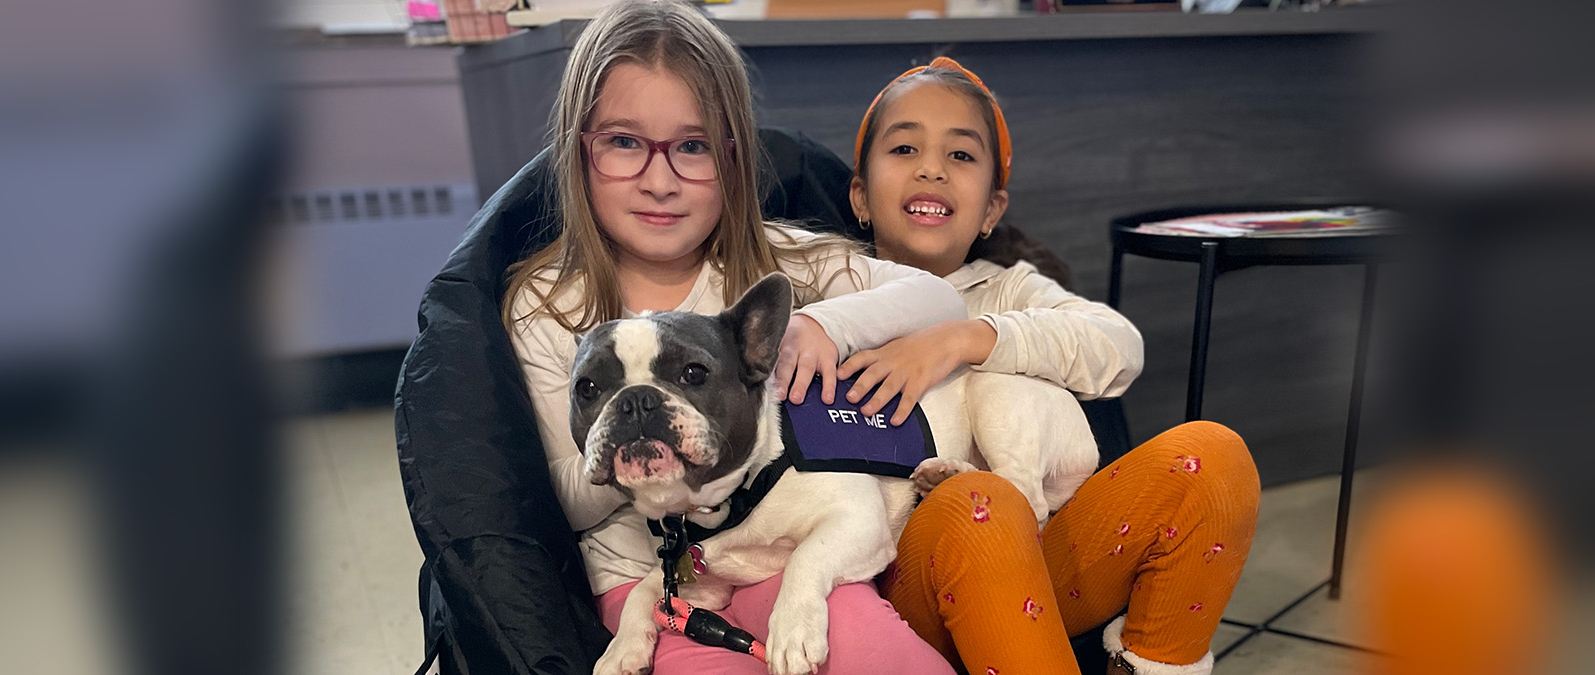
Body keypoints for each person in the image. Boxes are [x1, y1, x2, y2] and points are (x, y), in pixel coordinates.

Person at [501, 2, 963, 673]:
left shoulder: (780, 263)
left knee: (888, 658)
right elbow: (556, 498)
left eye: (691, 147)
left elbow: (941, 295)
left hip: (779, 546)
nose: (659, 180)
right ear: (578, 149)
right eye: (625, 142)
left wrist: (823, 323)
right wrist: (639, 442)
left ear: (734, 157)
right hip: (646, 581)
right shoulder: (547, 305)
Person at [839, 56, 1263, 675]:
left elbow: (1117, 348)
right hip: (895, 595)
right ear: (859, 196)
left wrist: (966, 338)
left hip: (1036, 574)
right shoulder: (824, 294)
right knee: (980, 500)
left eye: (961, 156)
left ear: (991, 209)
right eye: (905, 148)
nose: (931, 167)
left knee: (1213, 457)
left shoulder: (1009, 290)